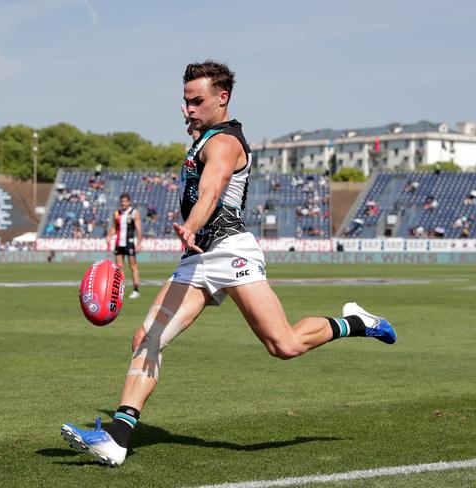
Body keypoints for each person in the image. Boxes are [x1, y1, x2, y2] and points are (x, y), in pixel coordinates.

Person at [61, 61, 396, 466]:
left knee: (284, 345)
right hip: (197, 259)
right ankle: (117, 437)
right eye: (185, 102)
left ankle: (359, 322)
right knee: (147, 338)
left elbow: (211, 190)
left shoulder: (224, 143)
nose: (188, 110)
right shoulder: (203, 139)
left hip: (230, 252)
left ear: (223, 98)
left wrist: (191, 226)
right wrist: (191, 235)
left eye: (197, 101)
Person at [106, 193, 142, 299]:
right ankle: (121, 290)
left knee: (133, 266)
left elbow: (139, 229)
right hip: (118, 243)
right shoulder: (117, 213)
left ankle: (136, 290)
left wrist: (139, 243)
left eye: (125, 201)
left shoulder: (134, 213)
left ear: (129, 201)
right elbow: (114, 227)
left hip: (129, 243)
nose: (123, 203)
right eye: (122, 201)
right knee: (119, 268)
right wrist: (109, 236)